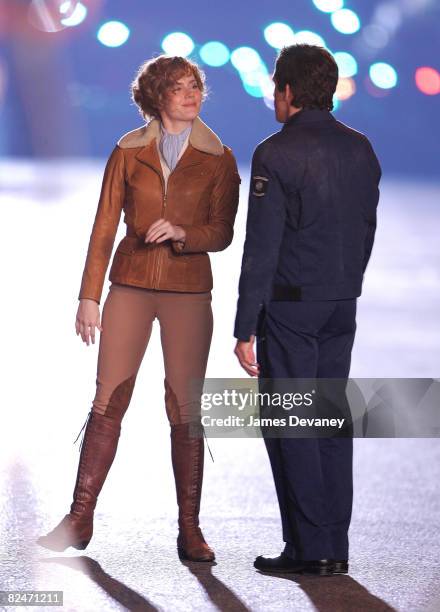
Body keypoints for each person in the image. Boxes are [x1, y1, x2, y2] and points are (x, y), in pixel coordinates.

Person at [37, 55, 241, 562]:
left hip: (189, 291)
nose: (192, 94)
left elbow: (223, 232)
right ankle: (79, 518)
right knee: (108, 399)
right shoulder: (128, 152)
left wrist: (183, 233)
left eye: (196, 85)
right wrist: (88, 295)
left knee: (186, 408)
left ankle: (190, 530)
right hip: (128, 283)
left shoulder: (220, 158)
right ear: (157, 97)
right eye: (179, 87)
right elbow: (105, 224)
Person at [234, 44, 381, 575]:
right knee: (330, 421)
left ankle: (308, 548)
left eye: (276, 87)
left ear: (288, 91)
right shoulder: (361, 149)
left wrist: (245, 324)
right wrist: (346, 286)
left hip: (291, 310)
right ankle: (333, 546)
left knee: (292, 423)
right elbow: (366, 228)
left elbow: (263, 247)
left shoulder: (275, 153)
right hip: (341, 305)